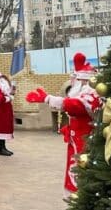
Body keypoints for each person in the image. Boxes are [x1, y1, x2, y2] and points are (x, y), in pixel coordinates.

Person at [26, 52, 103, 193]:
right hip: (77, 141)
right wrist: (68, 129)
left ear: (83, 81)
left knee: (81, 173)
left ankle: (80, 200)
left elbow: (76, 105)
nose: (72, 82)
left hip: (85, 141)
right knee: (75, 170)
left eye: (75, 79)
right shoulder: (83, 93)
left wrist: (48, 99)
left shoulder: (91, 95)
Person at [0, 71, 15, 156]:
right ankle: (0, 149)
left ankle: (3, 147)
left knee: (3, 130)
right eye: (0, 78)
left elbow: (5, 95)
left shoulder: (3, 87)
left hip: (4, 112)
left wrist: (11, 93)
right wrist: (9, 98)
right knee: (0, 131)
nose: (3, 79)